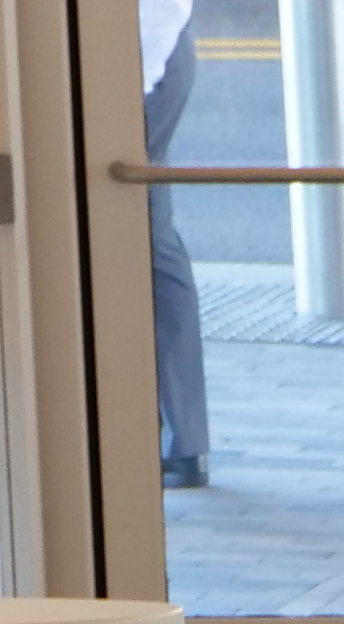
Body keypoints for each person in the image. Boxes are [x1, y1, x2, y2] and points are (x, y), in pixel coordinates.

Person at [140, 0, 210, 488]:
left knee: (149, 241)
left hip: (144, 59)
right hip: (143, 57)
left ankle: (181, 440)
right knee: (149, 240)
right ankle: (181, 439)